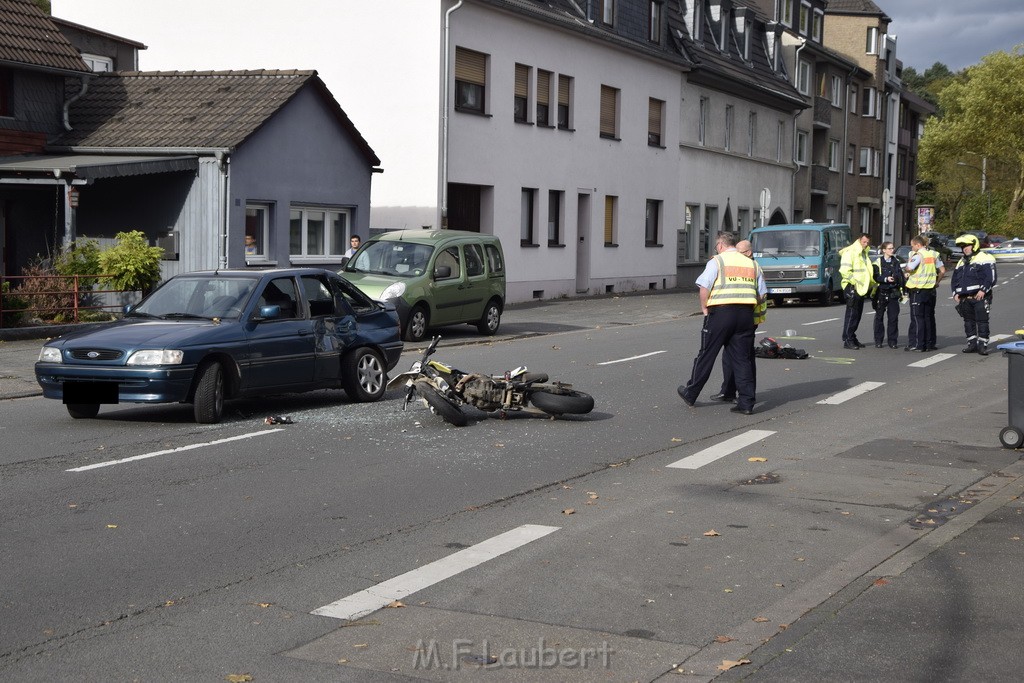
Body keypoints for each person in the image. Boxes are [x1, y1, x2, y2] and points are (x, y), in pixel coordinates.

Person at [678, 232, 766, 415]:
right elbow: (762, 295)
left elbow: (704, 287)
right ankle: (746, 403)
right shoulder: (753, 264)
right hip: (745, 315)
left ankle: (691, 392)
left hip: (721, 313)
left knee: (707, 354)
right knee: (743, 359)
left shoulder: (717, 261)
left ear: (720, 245)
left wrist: (704, 308)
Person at [712, 240, 765, 403]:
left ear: (748, 253)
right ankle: (729, 391)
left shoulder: (753, 267)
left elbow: (761, 294)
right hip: (742, 317)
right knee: (730, 356)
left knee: (745, 358)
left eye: (740, 252)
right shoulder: (745, 265)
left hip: (748, 318)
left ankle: (746, 394)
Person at [950, 233, 997, 355]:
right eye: (962, 246)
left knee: (982, 321)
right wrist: (955, 292)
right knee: (968, 322)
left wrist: (983, 290)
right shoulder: (961, 261)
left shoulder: (984, 257)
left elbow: (991, 277)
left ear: (974, 245)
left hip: (980, 296)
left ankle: (983, 345)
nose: (964, 248)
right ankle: (972, 344)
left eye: (967, 246)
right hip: (965, 298)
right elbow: (954, 279)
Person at [903, 234, 945, 352]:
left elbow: (910, 268)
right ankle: (928, 343)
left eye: (912, 246)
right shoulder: (932, 255)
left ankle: (917, 344)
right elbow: (942, 270)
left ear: (918, 244)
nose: (911, 248)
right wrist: (936, 282)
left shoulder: (918, 255)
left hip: (918, 289)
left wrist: (906, 269)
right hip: (930, 289)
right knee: (928, 317)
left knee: (917, 318)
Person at [839, 233, 873, 349]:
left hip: (861, 288)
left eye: (868, 242)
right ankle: (848, 340)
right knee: (852, 315)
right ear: (859, 240)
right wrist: (854, 282)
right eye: (864, 242)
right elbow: (844, 270)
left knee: (857, 315)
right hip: (852, 287)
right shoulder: (850, 252)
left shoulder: (864, 252)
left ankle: (852, 336)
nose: (866, 244)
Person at [871, 241, 905, 348]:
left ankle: (893, 341)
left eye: (892, 248)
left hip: (893, 293)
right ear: (884, 250)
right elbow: (875, 277)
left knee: (893, 318)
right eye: (889, 248)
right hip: (881, 292)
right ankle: (878, 341)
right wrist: (885, 279)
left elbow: (900, 277)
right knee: (879, 317)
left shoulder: (896, 262)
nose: (892, 250)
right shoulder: (877, 262)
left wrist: (904, 290)